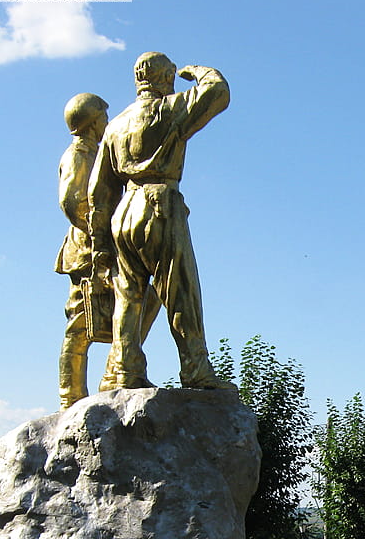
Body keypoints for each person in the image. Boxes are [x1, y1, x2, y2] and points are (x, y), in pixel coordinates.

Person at [88, 52, 233, 391]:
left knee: (128, 295)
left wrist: (101, 247)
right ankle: (195, 368)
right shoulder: (169, 109)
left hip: (124, 212)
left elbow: (99, 192)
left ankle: (125, 370)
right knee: (181, 290)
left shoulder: (115, 125)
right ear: (166, 77)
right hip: (159, 205)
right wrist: (196, 70)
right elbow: (217, 91)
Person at [54, 92, 111, 409]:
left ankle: (113, 377)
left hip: (103, 245)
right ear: (91, 122)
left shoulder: (95, 153)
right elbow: (72, 201)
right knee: (79, 323)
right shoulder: (79, 154)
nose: (106, 122)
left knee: (127, 310)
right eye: (103, 116)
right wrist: (99, 229)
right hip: (87, 248)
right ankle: (70, 396)